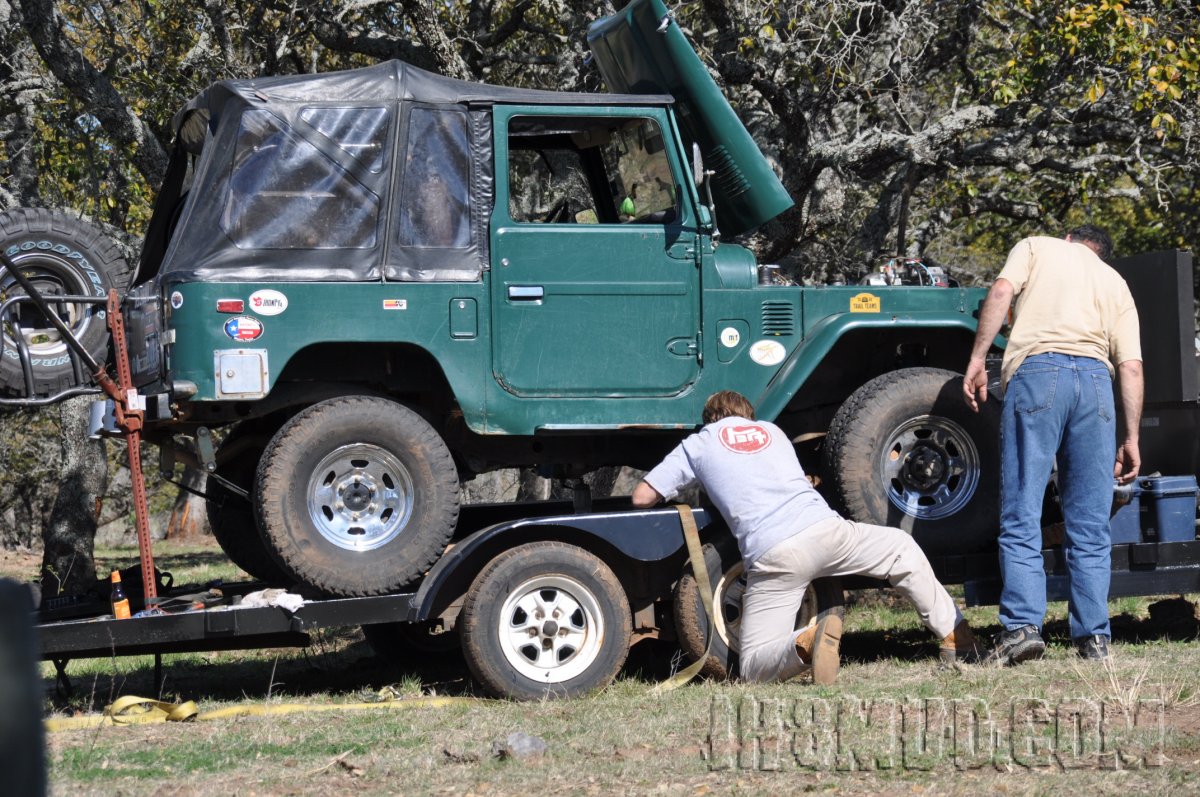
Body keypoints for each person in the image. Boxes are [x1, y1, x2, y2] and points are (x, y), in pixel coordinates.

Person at [632, 390, 983, 684]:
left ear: (710, 418)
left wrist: (691, 483)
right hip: (825, 531)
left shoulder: (699, 443)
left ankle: (806, 642)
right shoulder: (772, 432)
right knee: (900, 548)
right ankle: (956, 635)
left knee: (753, 666)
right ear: (748, 415)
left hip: (775, 553)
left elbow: (642, 496)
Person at [963, 225, 1143, 664]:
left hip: (1039, 372)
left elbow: (1002, 289)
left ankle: (1023, 629)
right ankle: (1094, 639)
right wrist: (1132, 438)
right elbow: (1132, 367)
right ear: (1100, 254)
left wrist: (975, 358)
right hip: (1098, 386)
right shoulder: (1114, 281)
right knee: (1090, 520)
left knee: (1023, 508)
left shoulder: (1036, 246)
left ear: (1067, 238)